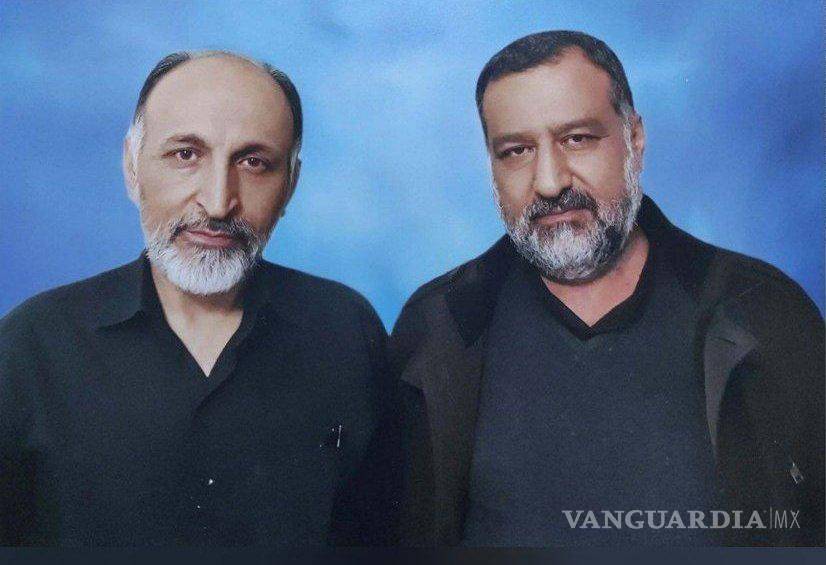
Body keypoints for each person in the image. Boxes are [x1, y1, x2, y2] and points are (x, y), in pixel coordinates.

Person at [391, 30, 824, 546]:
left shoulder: (763, 313)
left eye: (577, 139)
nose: (549, 182)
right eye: (516, 150)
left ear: (634, 139)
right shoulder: (437, 327)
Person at [0, 51, 397, 546]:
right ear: (132, 168)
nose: (218, 201)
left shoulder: (347, 332)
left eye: (254, 163)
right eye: (186, 155)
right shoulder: (31, 345)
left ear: (290, 185)